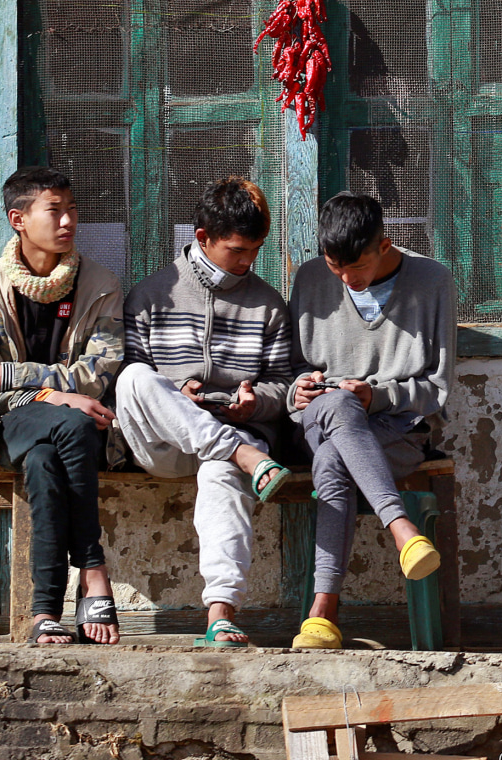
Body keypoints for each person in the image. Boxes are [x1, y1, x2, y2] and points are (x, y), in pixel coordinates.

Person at [114, 177, 297, 651]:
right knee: (133, 379)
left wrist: (258, 401)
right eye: (238, 250)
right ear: (202, 238)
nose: (248, 261)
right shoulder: (151, 296)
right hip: (167, 444)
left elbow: (283, 383)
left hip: (238, 436)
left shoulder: (269, 306)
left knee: (222, 472)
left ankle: (220, 614)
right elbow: (137, 378)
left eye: (256, 249)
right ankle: (241, 455)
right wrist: (179, 391)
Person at [0, 166, 124, 646]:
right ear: (18, 219)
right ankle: (93, 569)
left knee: (48, 457)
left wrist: (17, 375)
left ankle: (43, 613)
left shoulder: (99, 284)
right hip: (7, 422)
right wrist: (57, 393)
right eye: (55, 210)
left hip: (71, 430)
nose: (69, 220)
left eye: (73, 209)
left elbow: (100, 374)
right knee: (70, 423)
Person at [287, 192, 454, 650]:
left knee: (333, 463)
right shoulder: (310, 278)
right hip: (320, 415)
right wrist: (298, 387)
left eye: (355, 267)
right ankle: (403, 530)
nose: (345, 278)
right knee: (338, 408)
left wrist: (377, 396)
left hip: (397, 429)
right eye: (335, 267)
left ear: (385, 245)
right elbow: (289, 370)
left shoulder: (432, 281)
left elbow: (436, 389)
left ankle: (323, 612)